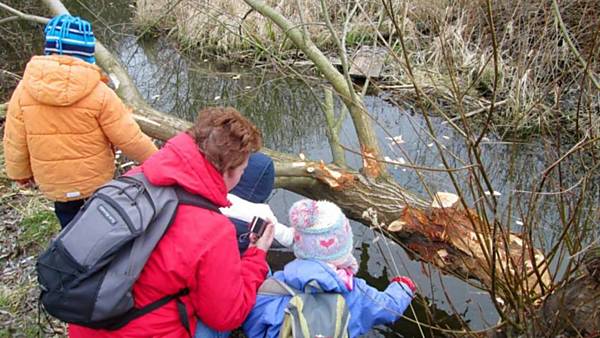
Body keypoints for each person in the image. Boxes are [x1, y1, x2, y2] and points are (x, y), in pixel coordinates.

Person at [68, 106, 275, 337]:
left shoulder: (135, 178)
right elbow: (227, 316)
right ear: (228, 170)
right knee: (253, 280)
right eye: (243, 170)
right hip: (139, 330)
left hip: (85, 321)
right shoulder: (213, 229)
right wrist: (256, 255)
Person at [2, 14, 157, 228]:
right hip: (96, 181)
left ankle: (74, 252)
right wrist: (156, 160)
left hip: (55, 183)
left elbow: (14, 138)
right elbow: (129, 137)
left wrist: (20, 174)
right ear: (87, 53)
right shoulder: (100, 93)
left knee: (69, 223)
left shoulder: (24, 91)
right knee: (101, 219)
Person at [243, 199, 416, 338]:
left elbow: (253, 327)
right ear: (345, 249)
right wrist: (404, 287)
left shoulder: (273, 288)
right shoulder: (357, 293)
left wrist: (262, 266)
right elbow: (389, 308)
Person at [221, 152, 294, 253]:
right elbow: (286, 239)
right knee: (264, 165)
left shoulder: (207, 195)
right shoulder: (258, 214)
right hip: (239, 260)